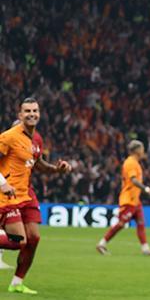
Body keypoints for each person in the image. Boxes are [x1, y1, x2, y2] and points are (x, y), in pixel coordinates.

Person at [0, 98, 72, 294]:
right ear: (20, 115)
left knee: (34, 238)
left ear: (39, 113)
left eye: (35, 111)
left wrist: (57, 170)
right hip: (9, 194)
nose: (32, 114)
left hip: (26, 193)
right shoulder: (8, 137)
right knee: (19, 241)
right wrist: (2, 183)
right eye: (27, 111)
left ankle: (17, 283)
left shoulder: (36, 139)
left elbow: (38, 164)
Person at [96, 140, 150, 256]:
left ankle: (145, 249)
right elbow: (133, 180)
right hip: (128, 199)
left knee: (141, 223)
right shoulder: (130, 163)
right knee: (121, 224)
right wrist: (146, 189)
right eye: (142, 149)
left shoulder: (135, 163)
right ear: (137, 150)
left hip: (135, 200)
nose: (143, 151)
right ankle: (102, 244)